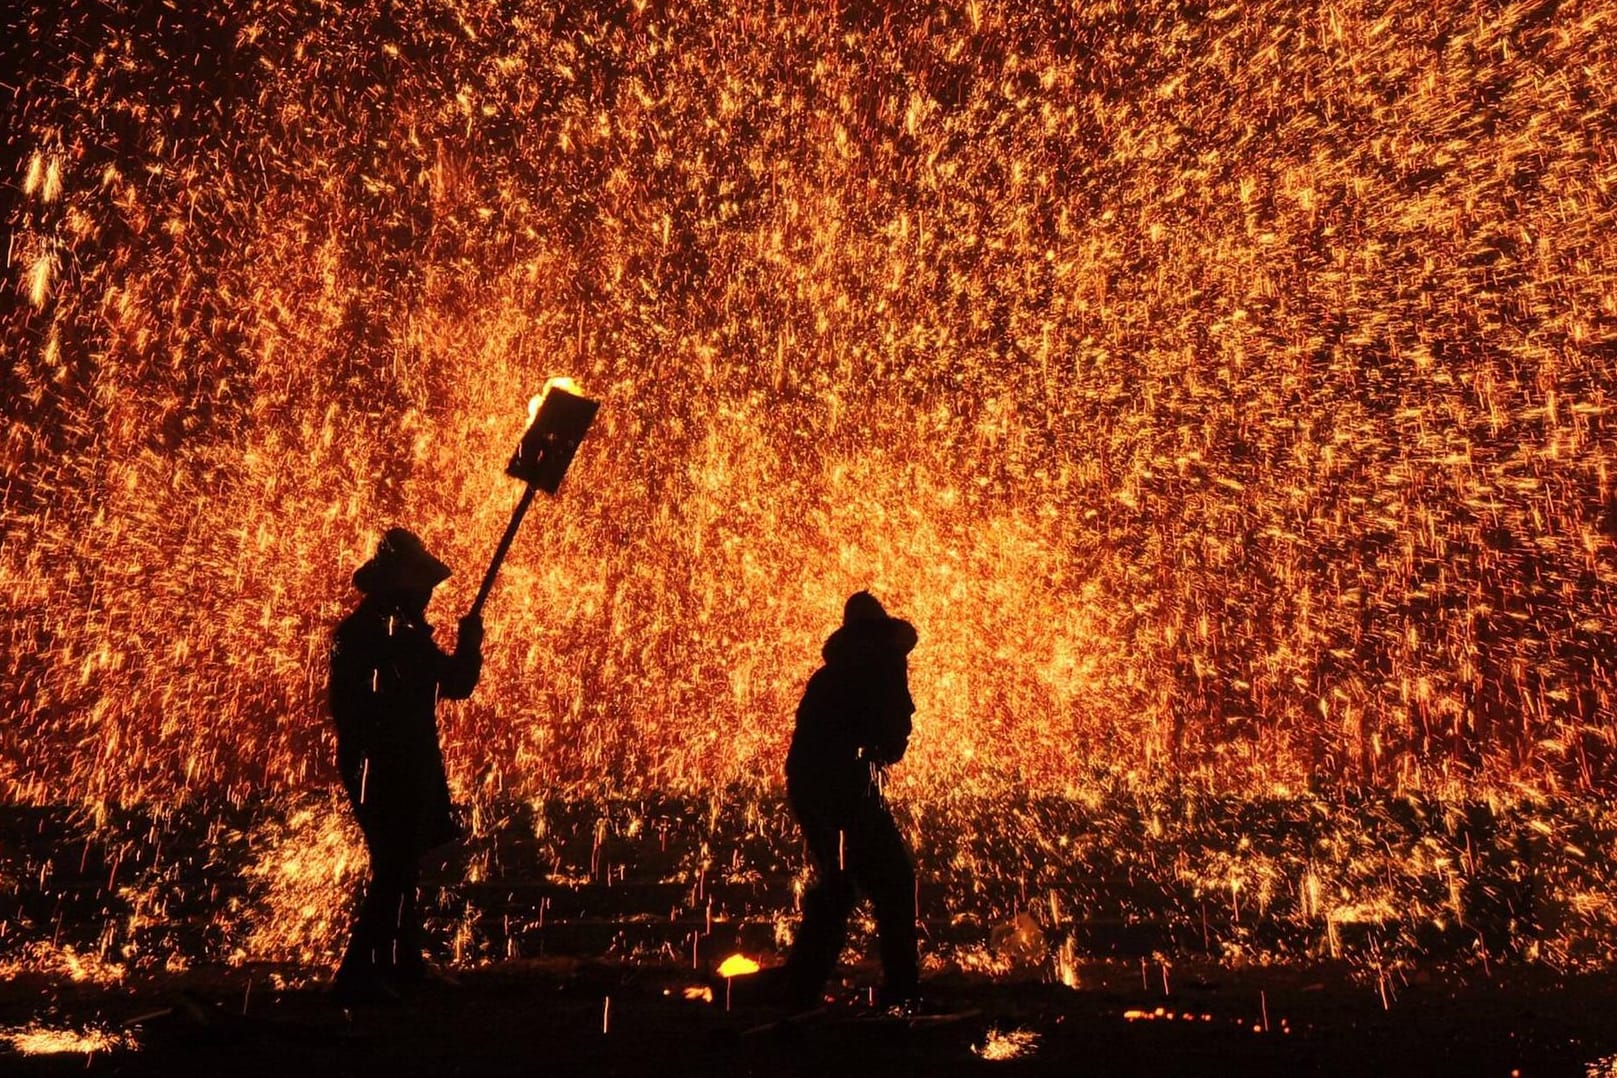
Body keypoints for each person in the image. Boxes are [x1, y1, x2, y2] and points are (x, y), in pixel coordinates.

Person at [328, 528, 483, 1003]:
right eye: (421, 588)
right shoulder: (397, 636)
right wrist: (470, 642)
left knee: (399, 865)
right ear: (401, 586)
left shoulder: (363, 631)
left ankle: (402, 965)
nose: (426, 596)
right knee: (396, 868)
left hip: (376, 760)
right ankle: (358, 975)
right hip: (392, 762)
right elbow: (456, 684)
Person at [782, 590, 921, 1011]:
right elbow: (891, 739)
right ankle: (901, 990)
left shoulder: (839, 671)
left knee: (839, 886)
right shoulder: (880, 665)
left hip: (818, 787)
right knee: (893, 883)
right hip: (843, 789)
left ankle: (800, 986)